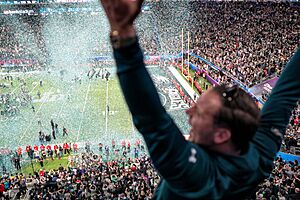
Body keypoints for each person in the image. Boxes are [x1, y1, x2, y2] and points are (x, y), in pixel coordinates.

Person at [99, 0, 300, 199]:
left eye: (200, 112)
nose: (188, 111)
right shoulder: (258, 154)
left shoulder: (195, 176)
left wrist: (123, 32)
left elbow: (150, 117)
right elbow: (286, 91)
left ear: (221, 135)